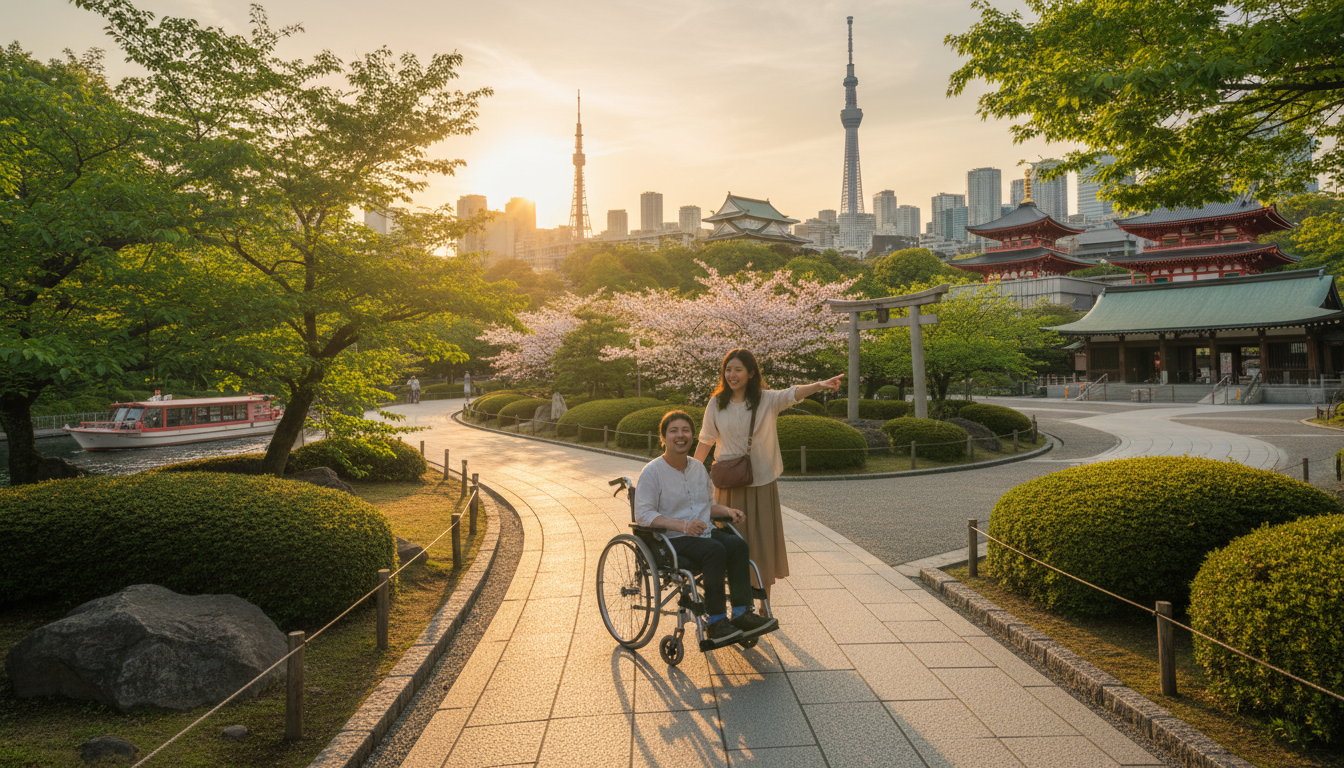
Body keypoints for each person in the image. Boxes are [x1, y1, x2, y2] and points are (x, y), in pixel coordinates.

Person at [693, 349, 842, 598]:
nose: (732, 375)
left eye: (738, 369)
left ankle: (764, 601)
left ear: (751, 373)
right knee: (728, 542)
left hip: (761, 483)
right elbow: (706, 441)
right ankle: (736, 600)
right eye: (728, 370)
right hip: (728, 486)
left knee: (761, 545)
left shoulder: (766, 400)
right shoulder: (716, 403)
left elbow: (793, 393)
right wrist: (691, 472)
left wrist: (819, 385)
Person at [635, 410, 780, 645]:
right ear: (663, 438)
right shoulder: (652, 472)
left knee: (737, 544)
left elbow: (707, 505)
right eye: (673, 431)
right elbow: (643, 514)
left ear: (692, 436)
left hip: (703, 533)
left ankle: (742, 613)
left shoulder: (697, 468)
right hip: (670, 539)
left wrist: (728, 511)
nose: (680, 435)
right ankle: (717, 621)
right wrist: (682, 525)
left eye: (685, 431)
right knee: (715, 550)